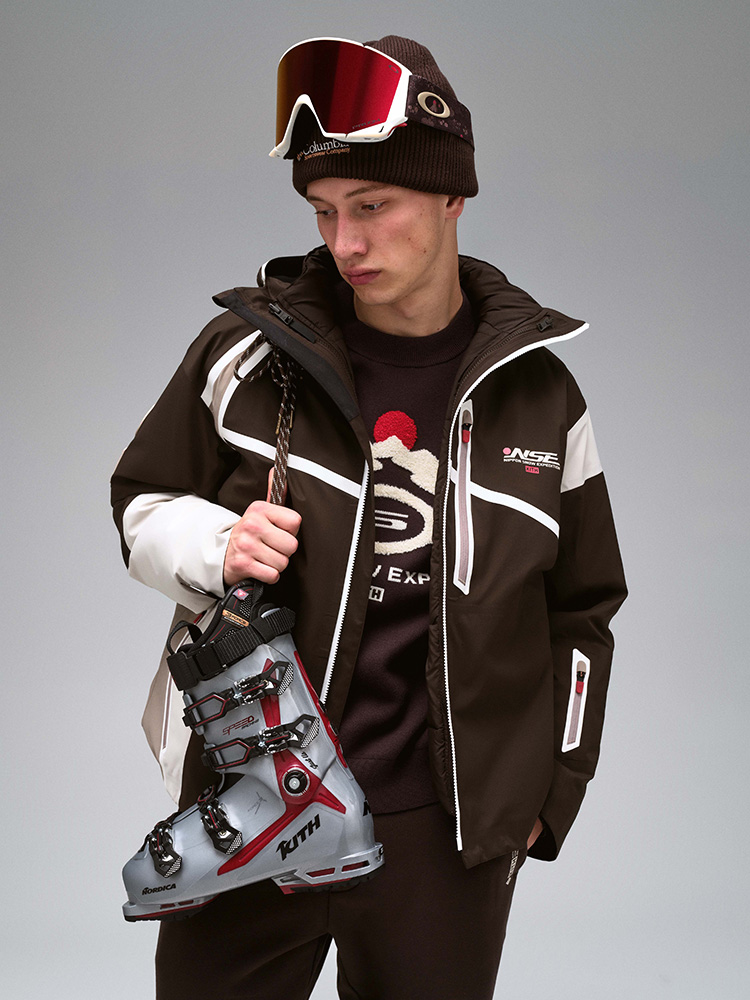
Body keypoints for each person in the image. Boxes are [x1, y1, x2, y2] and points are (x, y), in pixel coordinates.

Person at [112, 35, 627, 1000]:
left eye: (372, 206)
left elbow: (584, 611)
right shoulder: (246, 355)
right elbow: (137, 503)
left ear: (451, 196)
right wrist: (218, 547)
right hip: (254, 805)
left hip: (443, 837)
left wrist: (547, 794)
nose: (345, 242)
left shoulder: (540, 400)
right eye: (323, 210)